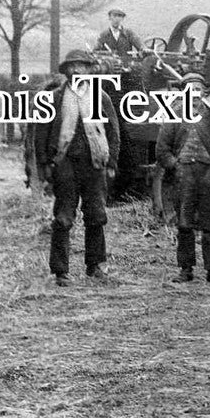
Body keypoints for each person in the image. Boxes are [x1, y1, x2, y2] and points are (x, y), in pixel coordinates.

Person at [33, 49, 120, 286]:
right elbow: (40, 134)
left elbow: (113, 132)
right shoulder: (55, 98)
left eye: (82, 66)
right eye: (72, 66)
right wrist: (44, 165)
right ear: (67, 71)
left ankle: (96, 266)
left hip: (94, 165)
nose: (77, 70)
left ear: (90, 70)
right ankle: (61, 271)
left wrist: (111, 162)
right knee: (63, 218)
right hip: (65, 164)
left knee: (96, 215)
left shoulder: (101, 97)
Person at [156, 73, 210, 284]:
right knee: (184, 223)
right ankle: (185, 269)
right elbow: (162, 149)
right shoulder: (174, 115)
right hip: (185, 175)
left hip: (209, 173)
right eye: (191, 89)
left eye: (198, 89)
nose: (195, 94)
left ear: (203, 92)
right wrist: (177, 165)